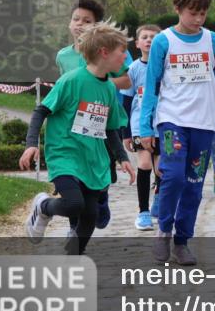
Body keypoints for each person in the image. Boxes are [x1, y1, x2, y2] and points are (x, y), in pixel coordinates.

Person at [22, 22, 135, 254]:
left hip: (92, 160)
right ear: (104, 52)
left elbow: (111, 128)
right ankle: (43, 207)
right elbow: (41, 111)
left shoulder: (107, 90)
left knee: (90, 215)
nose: (125, 56)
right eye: (121, 51)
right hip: (64, 154)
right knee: (75, 204)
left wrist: (122, 157)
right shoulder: (72, 80)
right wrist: (31, 144)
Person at [140, 0, 215, 266]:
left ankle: (182, 241)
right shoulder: (163, 42)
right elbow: (152, 84)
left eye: (203, 14)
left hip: (203, 124)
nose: (198, 19)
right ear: (177, 8)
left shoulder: (212, 40)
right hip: (172, 121)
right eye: (193, 13)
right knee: (174, 177)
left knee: (194, 184)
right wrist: (145, 126)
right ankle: (163, 231)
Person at [55, 0, 132, 231]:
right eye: (75, 19)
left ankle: (102, 197)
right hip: (75, 123)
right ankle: (74, 227)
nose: (79, 24)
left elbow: (127, 80)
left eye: (86, 21)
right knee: (77, 172)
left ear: (97, 27)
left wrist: (100, 85)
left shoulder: (108, 50)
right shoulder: (63, 56)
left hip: (104, 118)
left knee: (103, 168)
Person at [122, 24, 161, 230]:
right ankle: (143, 212)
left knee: (162, 169)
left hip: (163, 126)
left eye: (154, 37)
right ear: (137, 44)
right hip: (139, 126)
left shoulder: (166, 67)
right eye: (144, 37)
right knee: (145, 164)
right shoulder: (134, 69)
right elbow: (127, 103)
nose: (149, 40)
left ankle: (159, 201)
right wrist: (126, 133)